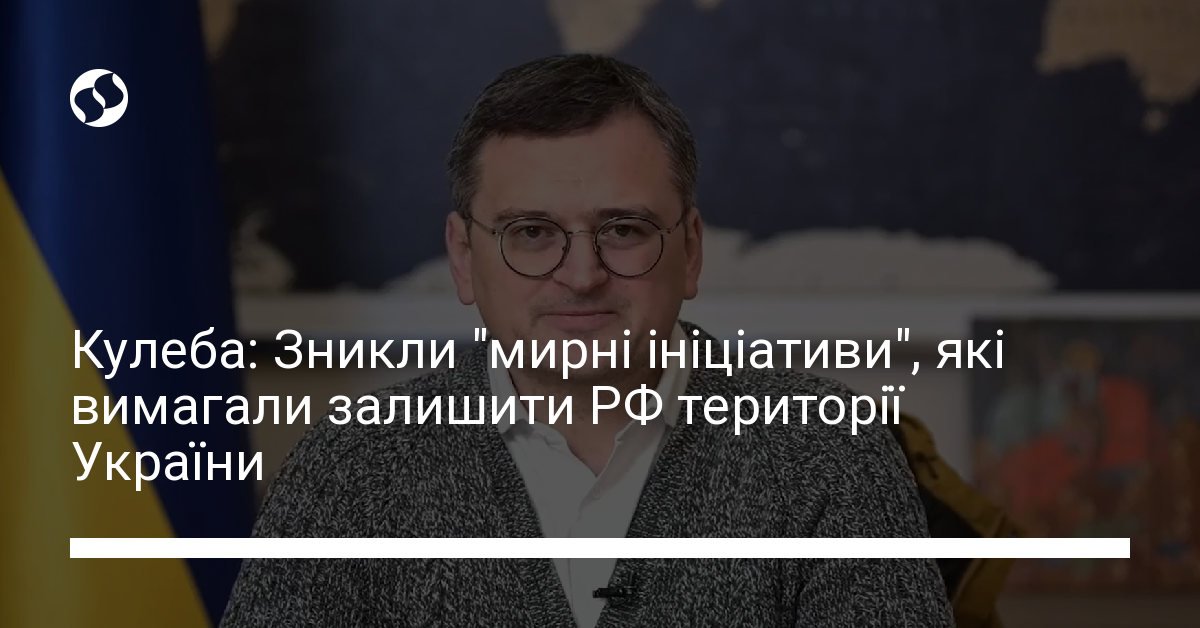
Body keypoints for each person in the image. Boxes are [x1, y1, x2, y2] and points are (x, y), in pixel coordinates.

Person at [220, 53, 963, 628]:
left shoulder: (832, 455)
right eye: (531, 233)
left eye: (625, 230)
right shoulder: (346, 469)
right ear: (463, 258)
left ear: (691, 251)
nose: (581, 275)